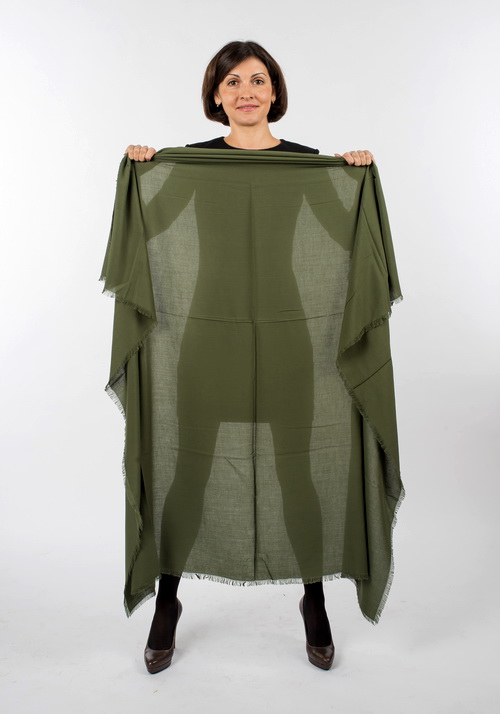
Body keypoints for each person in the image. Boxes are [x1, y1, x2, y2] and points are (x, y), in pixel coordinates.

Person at [123, 40, 376, 673]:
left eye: (258, 80)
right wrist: (143, 166)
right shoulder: (193, 164)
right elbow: (150, 221)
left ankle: (314, 599)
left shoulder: (305, 166)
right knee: (189, 471)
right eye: (232, 81)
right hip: (206, 337)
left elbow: (342, 226)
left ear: (275, 92)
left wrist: (352, 172)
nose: (246, 92)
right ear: (216, 94)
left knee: (297, 471)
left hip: (289, 337)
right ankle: (167, 601)